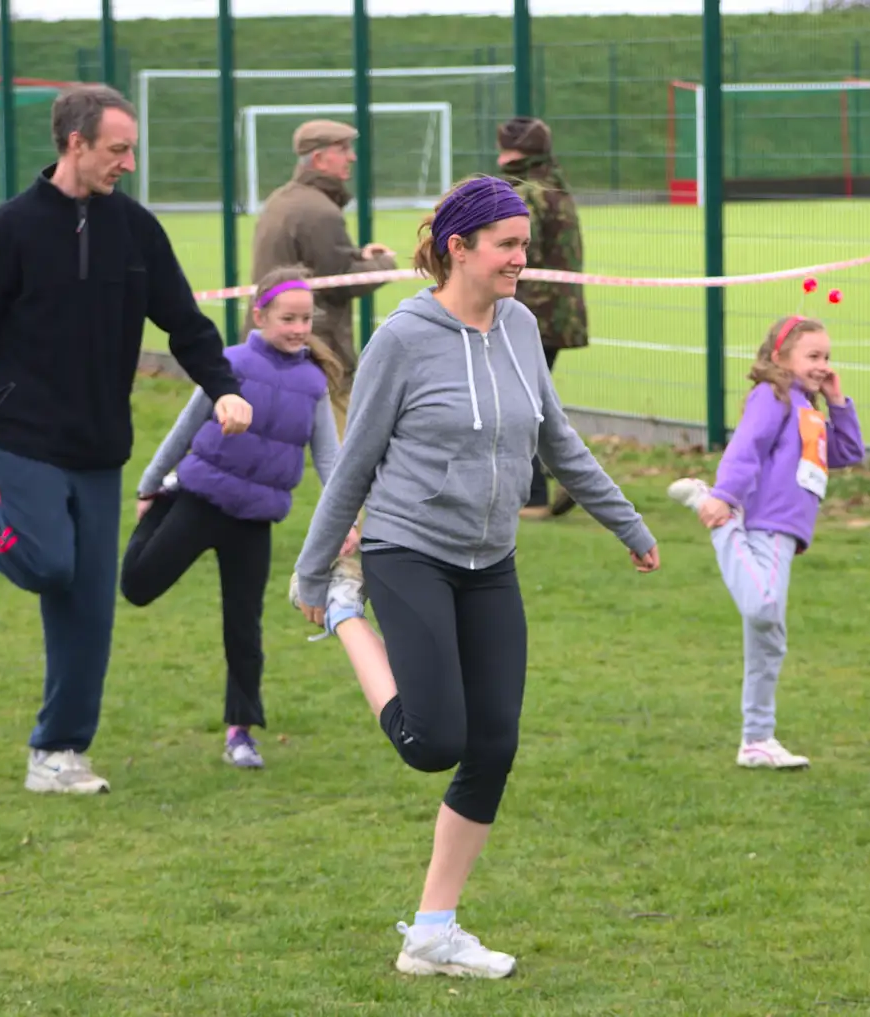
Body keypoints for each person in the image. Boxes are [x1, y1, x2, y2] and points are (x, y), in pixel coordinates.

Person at [290, 176, 661, 978]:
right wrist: (317, 572)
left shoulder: (521, 326)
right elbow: (355, 463)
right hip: (406, 548)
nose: (522, 260)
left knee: (493, 743)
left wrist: (627, 522)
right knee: (435, 742)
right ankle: (347, 617)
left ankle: (432, 931)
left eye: (524, 244)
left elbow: (557, 440)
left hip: (490, 562)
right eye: (507, 245)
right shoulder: (403, 337)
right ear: (457, 248)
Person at [0, 84, 252, 795]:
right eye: (117, 148)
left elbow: (184, 321)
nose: (128, 161)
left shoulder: (137, 231)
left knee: (88, 610)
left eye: (132, 149)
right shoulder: (8, 231)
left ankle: (57, 753)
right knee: (44, 561)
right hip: (22, 434)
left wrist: (224, 386)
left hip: (101, 445)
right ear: (74, 143)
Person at [119, 265, 345, 771]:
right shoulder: (230, 365)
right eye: (288, 318)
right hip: (198, 501)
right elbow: (185, 427)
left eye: (306, 319)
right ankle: (165, 503)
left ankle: (241, 731)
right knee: (137, 585)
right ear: (260, 316)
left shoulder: (312, 384)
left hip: (254, 522)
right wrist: (151, 485)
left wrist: (346, 519)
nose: (298, 329)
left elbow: (329, 460)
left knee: (244, 628)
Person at [664, 314, 865, 770]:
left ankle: (757, 739)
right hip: (762, 524)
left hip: (786, 534)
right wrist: (724, 498)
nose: (822, 365)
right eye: (813, 356)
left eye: (827, 357)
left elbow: (849, 452)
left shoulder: (808, 408)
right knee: (763, 608)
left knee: (768, 638)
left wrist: (837, 401)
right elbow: (746, 448)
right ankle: (717, 519)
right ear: (781, 356)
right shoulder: (772, 396)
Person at [251, 118, 397, 438]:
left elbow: (317, 266)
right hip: (316, 347)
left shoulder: (284, 200)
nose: (352, 157)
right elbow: (340, 282)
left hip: (279, 340)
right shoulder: (318, 211)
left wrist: (360, 257)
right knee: (347, 451)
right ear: (318, 159)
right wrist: (385, 264)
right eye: (342, 149)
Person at [497, 116, 590, 521]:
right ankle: (565, 472)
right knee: (530, 398)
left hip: (530, 311)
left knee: (518, 402)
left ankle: (535, 495)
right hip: (556, 312)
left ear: (516, 154)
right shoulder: (555, 185)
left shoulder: (526, 194)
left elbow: (517, 252)